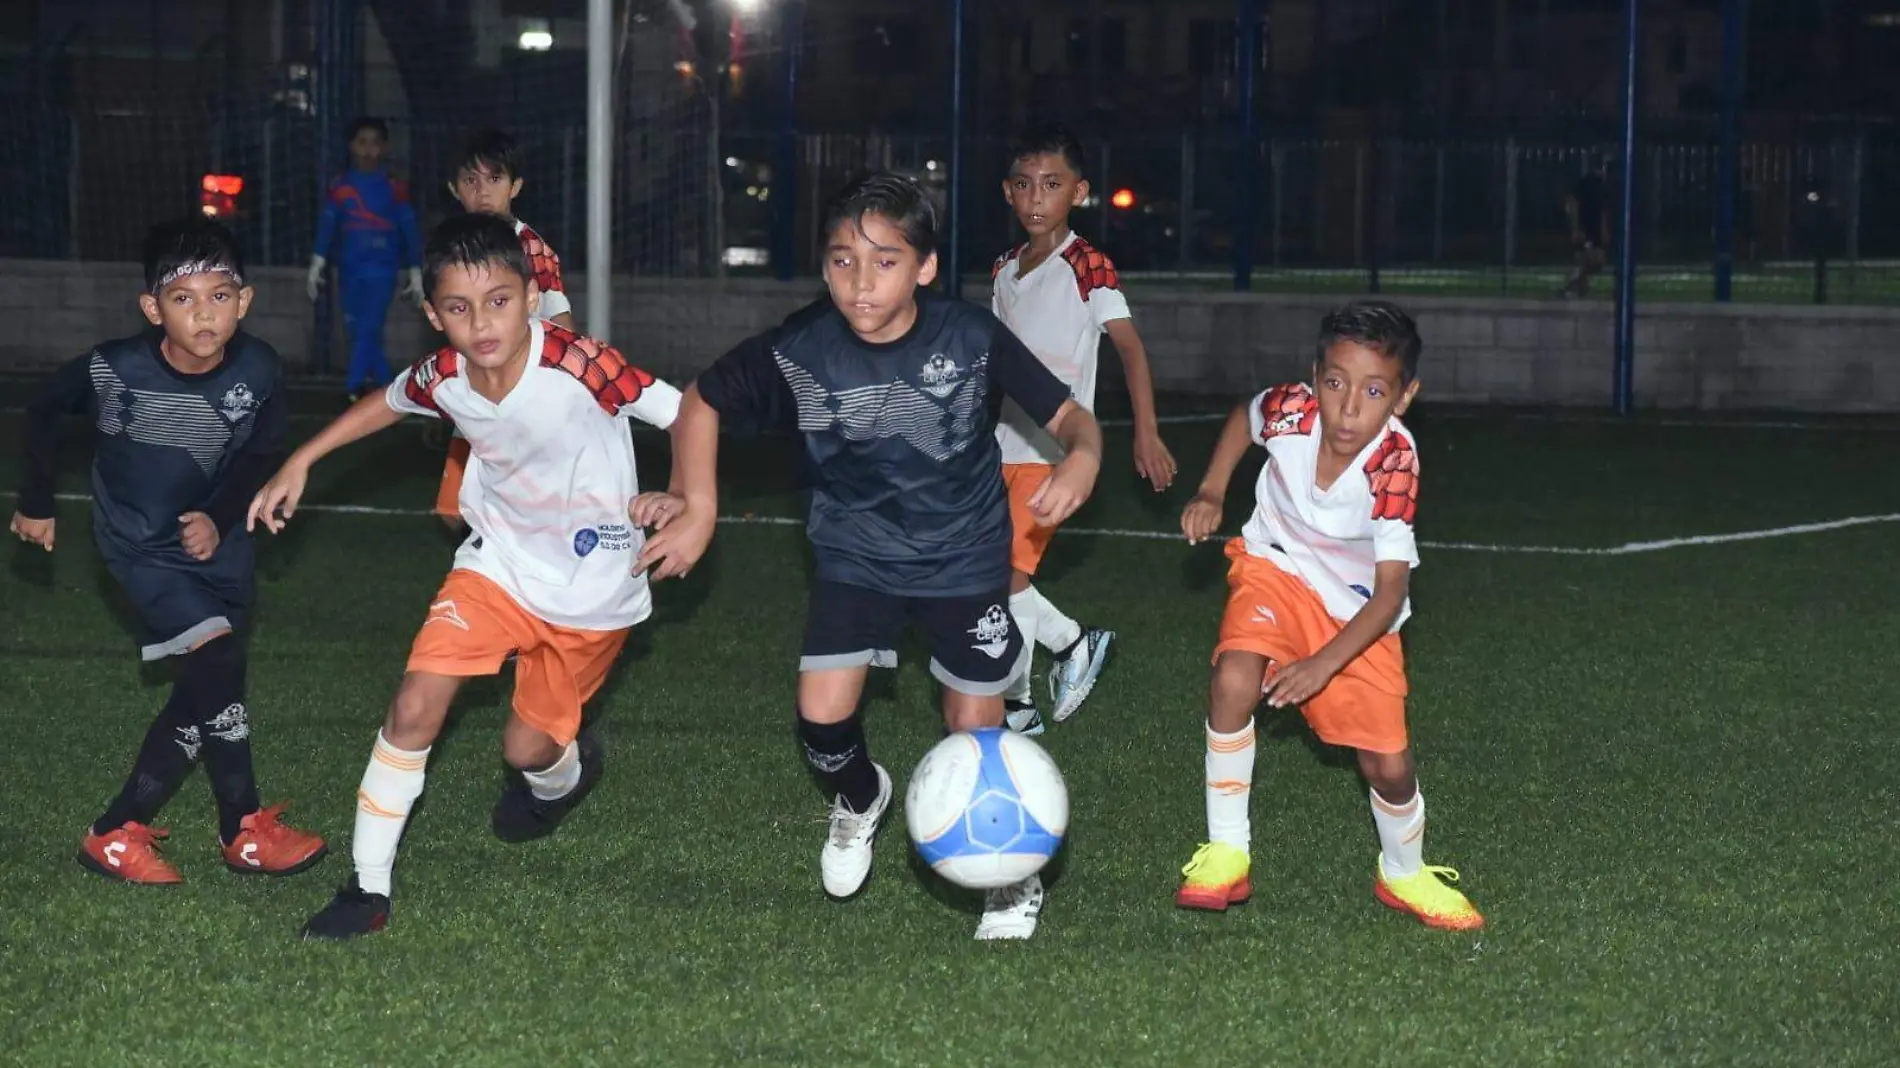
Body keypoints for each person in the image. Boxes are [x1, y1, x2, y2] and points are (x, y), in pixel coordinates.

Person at [637, 173, 1102, 941]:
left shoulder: (971, 339)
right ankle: (859, 799)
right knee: (821, 719)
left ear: (924, 267)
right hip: (854, 551)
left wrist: (1080, 458)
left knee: (973, 727)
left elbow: (1071, 416)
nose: (861, 281)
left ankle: (1008, 881)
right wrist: (699, 506)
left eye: (885, 261)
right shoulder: (801, 348)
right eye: (843, 260)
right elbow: (702, 400)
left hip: (962, 555)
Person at [250, 213, 685, 939]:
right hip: (496, 568)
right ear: (432, 313)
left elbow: (689, 413)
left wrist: (692, 502)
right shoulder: (444, 374)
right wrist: (303, 458)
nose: (480, 323)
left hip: (594, 586)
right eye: (458, 307)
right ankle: (367, 888)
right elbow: (387, 401)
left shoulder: (581, 362)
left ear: (529, 297)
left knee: (527, 750)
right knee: (415, 704)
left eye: (499, 301)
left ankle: (565, 776)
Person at [9, 216, 327, 885]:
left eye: (219, 295)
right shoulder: (115, 369)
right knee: (215, 660)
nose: (204, 313)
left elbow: (265, 448)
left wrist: (216, 516)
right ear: (154, 309)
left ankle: (115, 835)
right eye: (184, 299)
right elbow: (42, 410)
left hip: (221, 544)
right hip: (140, 548)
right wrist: (36, 501)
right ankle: (240, 828)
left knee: (210, 683)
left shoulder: (261, 368)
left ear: (244, 302)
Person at [1172, 300, 1483, 932]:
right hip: (1275, 567)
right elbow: (1244, 418)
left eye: (1373, 391)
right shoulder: (1291, 410)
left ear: (1403, 397)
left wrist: (1320, 665)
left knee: (1388, 766)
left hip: (1357, 612)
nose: (1347, 408)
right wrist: (1212, 488)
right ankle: (1228, 850)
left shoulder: (1393, 463)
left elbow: (1391, 594)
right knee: (1234, 679)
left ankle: (1404, 872)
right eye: (1335, 382)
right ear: (1315, 375)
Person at [990, 123, 1176, 736]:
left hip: (1058, 452)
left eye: (1052, 184)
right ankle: (1068, 646)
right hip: (999, 447)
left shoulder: (1087, 264)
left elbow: (1130, 350)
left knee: (1005, 575)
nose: (1036, 198)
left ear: (1080, 192)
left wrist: (1144, 433)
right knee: (983, 573)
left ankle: (1018, 701)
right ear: (1008, 193)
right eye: (1024, 185)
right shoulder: (1003, 270)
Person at [434, 128, 575, 531]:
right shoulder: (451, 248)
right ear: (454, 188)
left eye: (494, 179)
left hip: (521, 396)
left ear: (515, 187)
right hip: (475, 391)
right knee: (454, 512)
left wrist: (567, 389)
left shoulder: (530, 249)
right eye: (470, 181)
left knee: (513, 511)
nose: (482, 192)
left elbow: (561, 324)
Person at [306, 116, 426, 400]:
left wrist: (416, 270)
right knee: (358, 331)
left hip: (381, 271)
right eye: (362, 143)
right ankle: (390, 389)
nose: (368, 151)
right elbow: (327, 225)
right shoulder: (341, 186)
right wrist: (317, 262)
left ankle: (355, 386)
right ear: (351, 146)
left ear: (384, 148)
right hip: (349, 270)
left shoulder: (394, 188)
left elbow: (409, 229)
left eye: (375, 144)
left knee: (369, 325)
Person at [1559, 152, 1611, 299]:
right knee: (1592, 259)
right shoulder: (1591, 184)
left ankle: (1576, 287)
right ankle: (1572, 286)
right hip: (1588, 229)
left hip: (1590, 229)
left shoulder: (1594, 184)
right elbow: (1573, 203)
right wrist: (1576, 228)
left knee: (1590, 260)